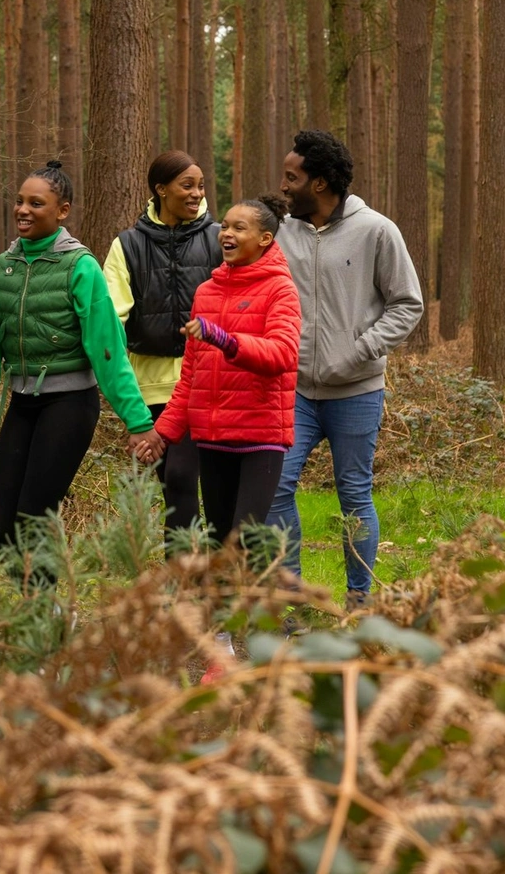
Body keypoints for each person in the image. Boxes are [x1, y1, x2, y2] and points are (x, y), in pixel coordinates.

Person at [0, 160, 163, 581]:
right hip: (23, 403)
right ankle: (35, 610)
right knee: (2, 522)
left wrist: (137, 420)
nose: (23, 210)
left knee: (33, 516)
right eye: (19, 201)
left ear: (62, 211)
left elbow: (107, 351)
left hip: (69, 404)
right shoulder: (1, 270)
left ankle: (49, 620)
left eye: (36, 203)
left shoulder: (79, 267)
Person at [144, 193, 300, 684]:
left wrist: (225, 339)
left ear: (266, 239)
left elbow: (281, 354)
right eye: (224, 226)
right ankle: (222, 650)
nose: (226, 234)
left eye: (239, 228)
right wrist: (162, 434)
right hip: (213, 437)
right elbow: (189, 378)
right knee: (217, 539)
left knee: (245, 540)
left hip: (260, 436)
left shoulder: (281, 290)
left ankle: (268, 638)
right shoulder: (207, 291)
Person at [265, 130, 423, 610]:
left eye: (292, 177)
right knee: (275, 487)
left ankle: (358, 602)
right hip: (293, 390)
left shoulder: (376, 230)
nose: (284, 185)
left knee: (354, 494)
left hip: (356, 391)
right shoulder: (281, 231)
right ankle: (292, 600)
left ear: (319, 183)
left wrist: (358, 351)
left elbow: (407, 304)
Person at [103, 151, 222, 541]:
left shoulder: (218, 238)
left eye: (200, 186)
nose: (196, 193)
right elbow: (111, 319)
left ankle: (198, 578)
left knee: (183, 476)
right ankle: (191, 580)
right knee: (172, 487)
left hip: (205, 382)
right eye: (186, 185)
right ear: (160, 189)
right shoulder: (127, 246)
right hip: (149, 384)